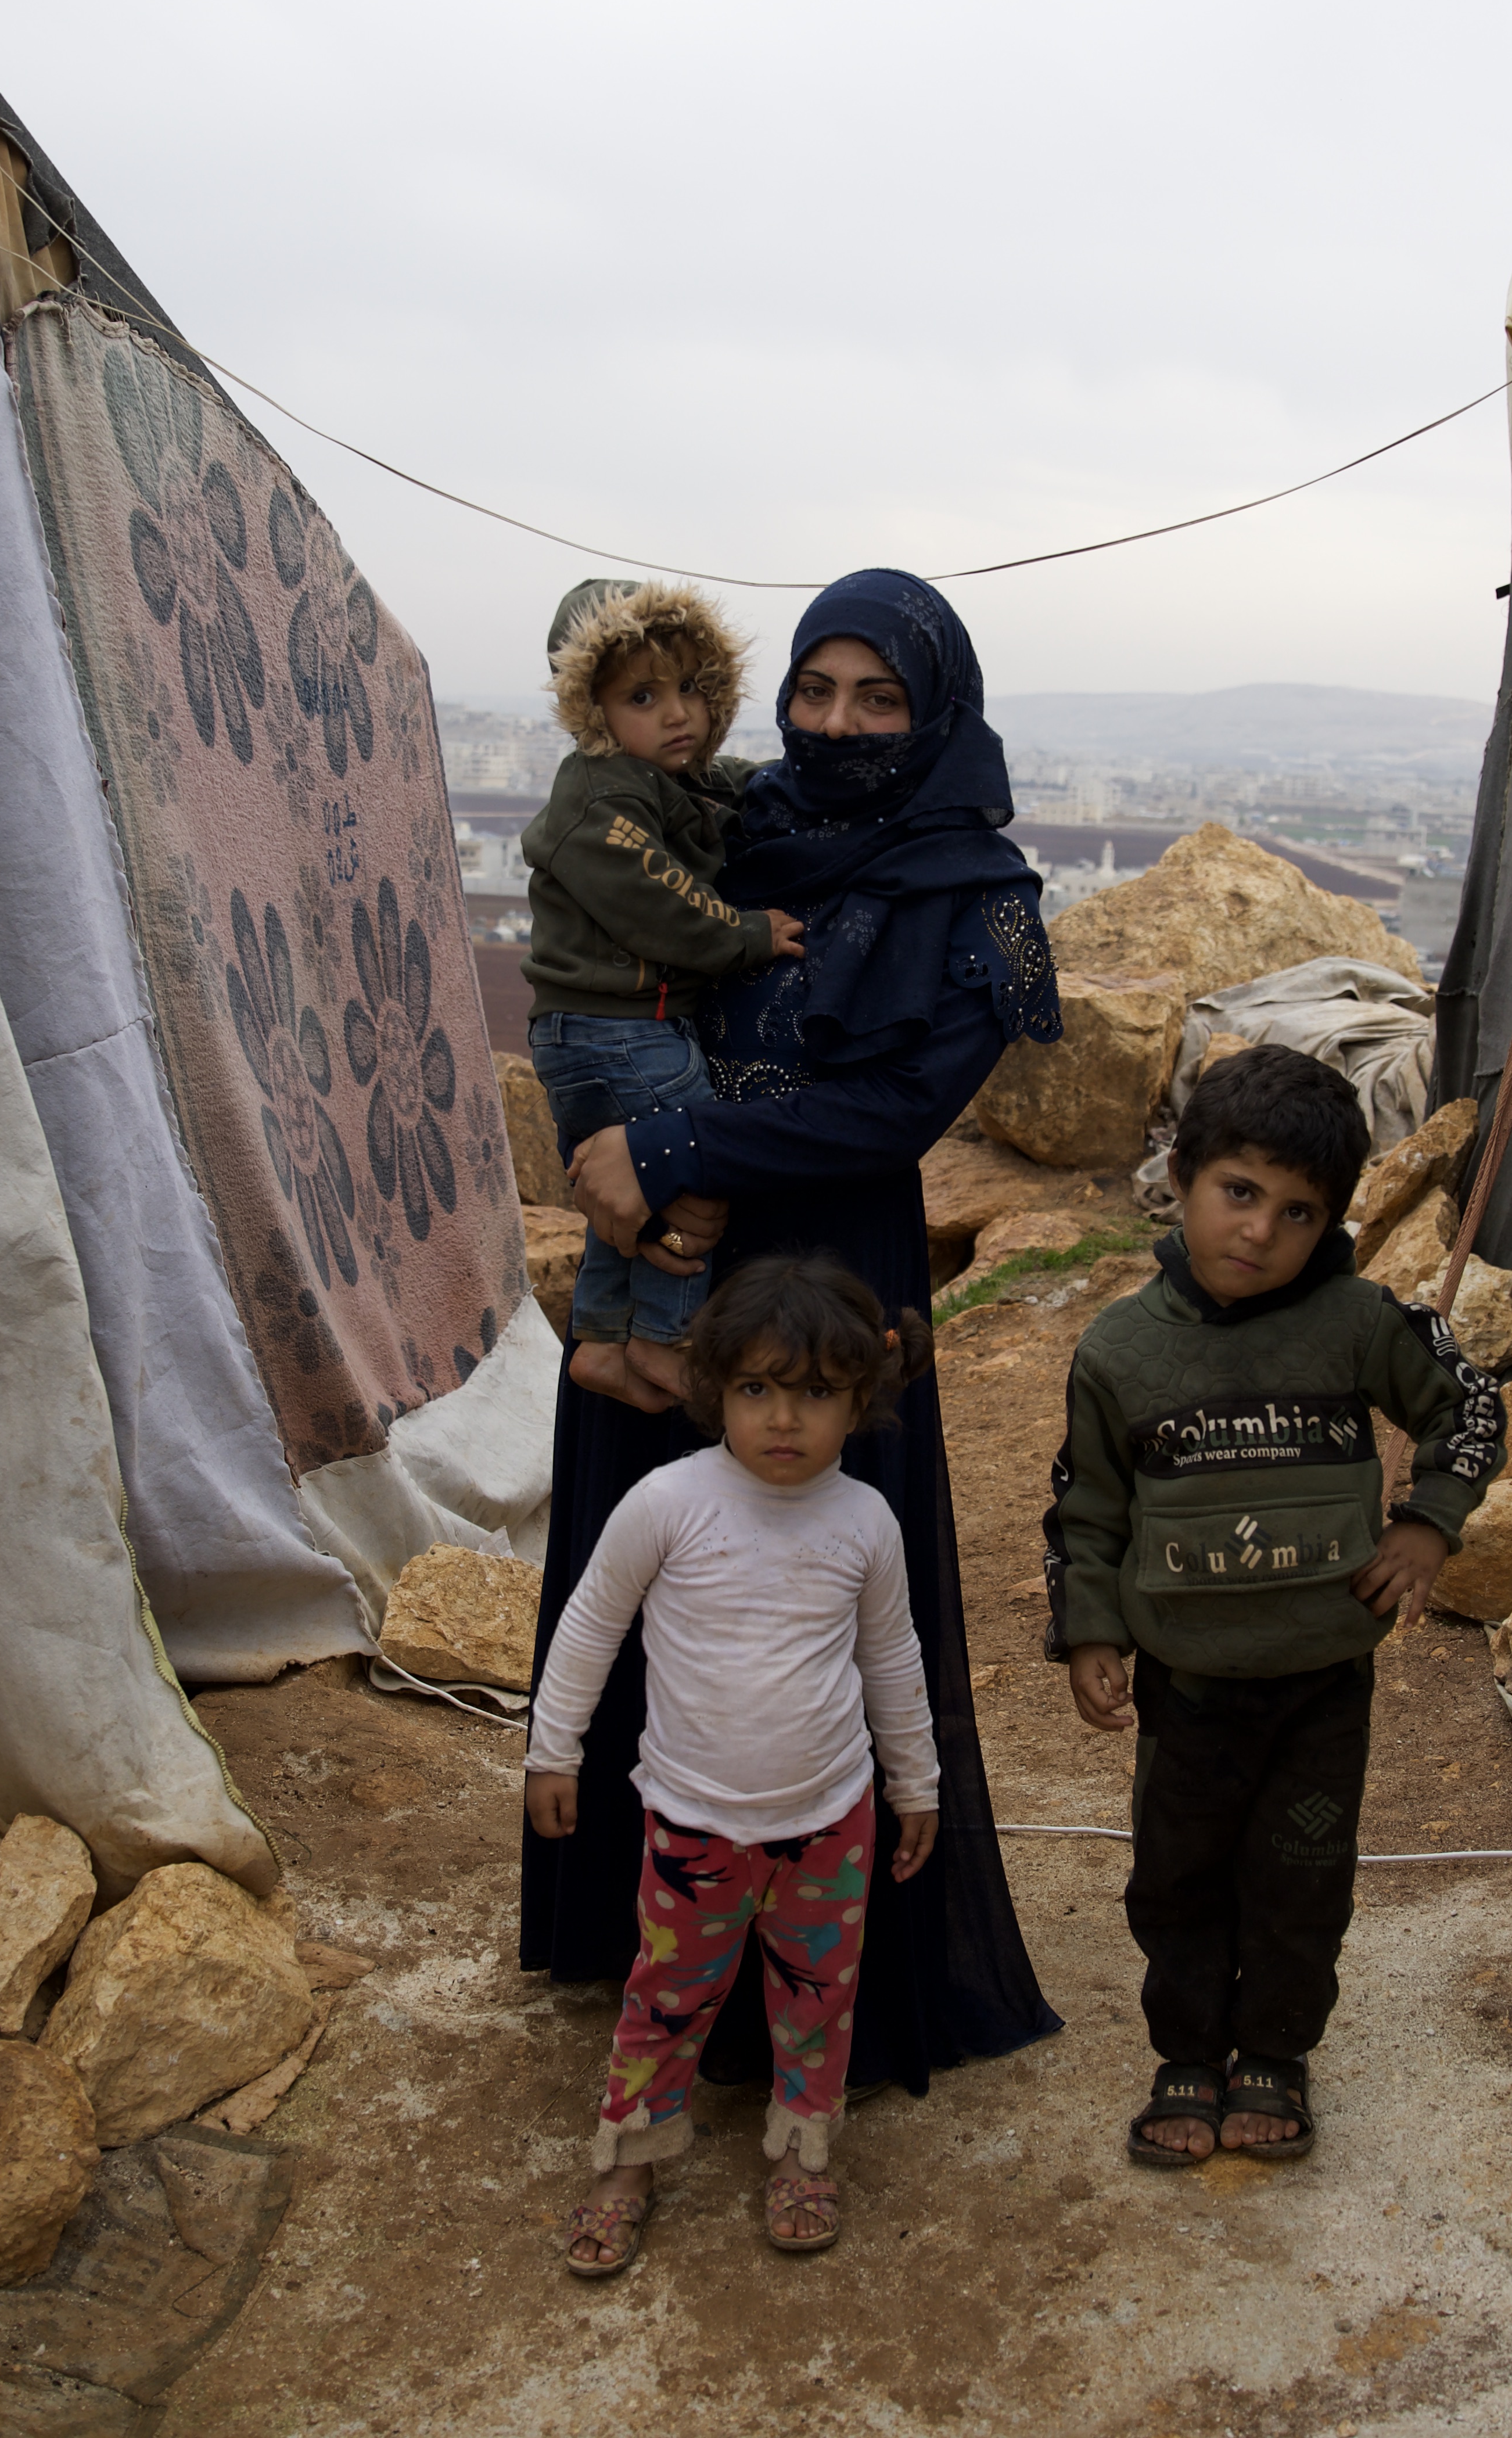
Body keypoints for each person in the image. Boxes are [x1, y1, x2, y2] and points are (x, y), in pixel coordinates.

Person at [520, 567, 1064, 2105]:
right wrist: (622, 1160)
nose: (839, 723)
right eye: (816, 692)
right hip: (674, 1253)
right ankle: (633, 1935)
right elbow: (623, 976)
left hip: (824, 1264)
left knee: (825, 1600)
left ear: (935, 708)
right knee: (648, 1569)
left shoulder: (976, 895)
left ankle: (823, 1988)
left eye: (877, 696)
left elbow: (895, 1109)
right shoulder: (738, 831)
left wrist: (676, 1161)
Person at [1046, 1044, 1505, 2164]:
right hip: (1188, 1688)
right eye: (1238, 1193)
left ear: (1331, 1222)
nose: (1259, 1231)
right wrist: (1091, 1629)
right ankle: (1188, 2053)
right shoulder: (1119, 1351)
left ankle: (1275, 2054)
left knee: (1301, 1879)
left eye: (1297, 1212)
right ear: (1184, 1177)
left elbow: (1471, 1407)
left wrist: (1426, 1521)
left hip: (1321, 1686)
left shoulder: (1357, 1323)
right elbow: (1088, 1509)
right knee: (1179, 1874)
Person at [525, 1256, 943, 2274]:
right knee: (666, 2000)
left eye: (814, 1393)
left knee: (817, 2004)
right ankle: (629, 2160)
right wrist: (553, 1749)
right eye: (757, 1388)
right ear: (716, 1389)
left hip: (830, 1827)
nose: (785, 1419)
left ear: (860, 1398)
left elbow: (893, 1655)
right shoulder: (667, 1503)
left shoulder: (866, 1521)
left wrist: (916, 1782)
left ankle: (803, 2151)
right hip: (693, 1827)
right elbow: (590, 1626)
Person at [520, 580, 808, 1412]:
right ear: (593, 712)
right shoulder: (603, 795)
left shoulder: (661, 780)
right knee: (693, 1166)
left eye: (691, 688)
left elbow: (729, 791)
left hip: (604, 1033)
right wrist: (749, 935)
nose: (676, 712)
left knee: (631, 1196)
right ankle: (665, 1339)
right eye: (643, 696)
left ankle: (603, 1341)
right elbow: (663, 905)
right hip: (617, 1035)